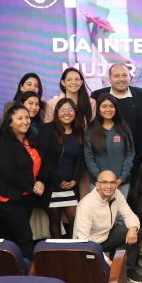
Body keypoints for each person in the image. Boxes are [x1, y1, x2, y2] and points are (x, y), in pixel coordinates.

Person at [0, 105, 47, 256]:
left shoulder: (32, 140)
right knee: (25, 238)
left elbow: (42, 163)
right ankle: (32, 273)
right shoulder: (1, 142)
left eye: (27, 118)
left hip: (26, 197)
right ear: (10, 122)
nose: (25, 121)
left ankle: (14, 270)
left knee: (12, 237)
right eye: (20, 118)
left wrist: (41, 181)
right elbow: (9, 172)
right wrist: (33, 187)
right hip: (8, 198)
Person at [72, 168, 142, 283]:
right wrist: (105, 260)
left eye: (112, 182)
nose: (109, 186)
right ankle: (110, 262)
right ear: (97, 185)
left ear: (116, 184)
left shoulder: (117, 194)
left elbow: (129, 215)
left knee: (137, 231)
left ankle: (128, 270)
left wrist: (132, 228)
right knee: (102, 279)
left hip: (106, 235)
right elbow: (83, 240)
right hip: (89, 244)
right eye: (104, 182)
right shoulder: (86, 205)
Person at [37, 98, 86, 238]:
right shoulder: (47, 129)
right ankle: (58, 254)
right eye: (63, 110)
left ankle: (74, 252)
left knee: (75, 221)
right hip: (52, 185)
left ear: (75, 113)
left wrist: (75, 180)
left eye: (70, 110)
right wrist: (57, 180)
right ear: (56, 112)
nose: (67, 113)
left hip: (71, 185)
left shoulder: (79, 132)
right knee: (54, 221)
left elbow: (81, 160)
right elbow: (43, 158)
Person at [90, 63, 142, 162]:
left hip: (138, 156)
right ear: (109, 78)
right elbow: (93, 126)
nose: (121, 79)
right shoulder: (97, 95)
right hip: (106, 156)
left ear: (130, 77)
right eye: (116, 76)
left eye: (124, 75)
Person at [85, 94, 136, 195]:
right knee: (100, 211)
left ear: (116, 108)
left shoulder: (124, 128)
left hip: (121, 183)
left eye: (111, 106)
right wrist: (102, 180)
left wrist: (122, 178)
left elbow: (130, 154)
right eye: (104, 106)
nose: (108, 109)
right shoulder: (91, 130)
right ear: (98, 108)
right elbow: (89, 158)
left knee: (119, 211)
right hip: (98, 184)